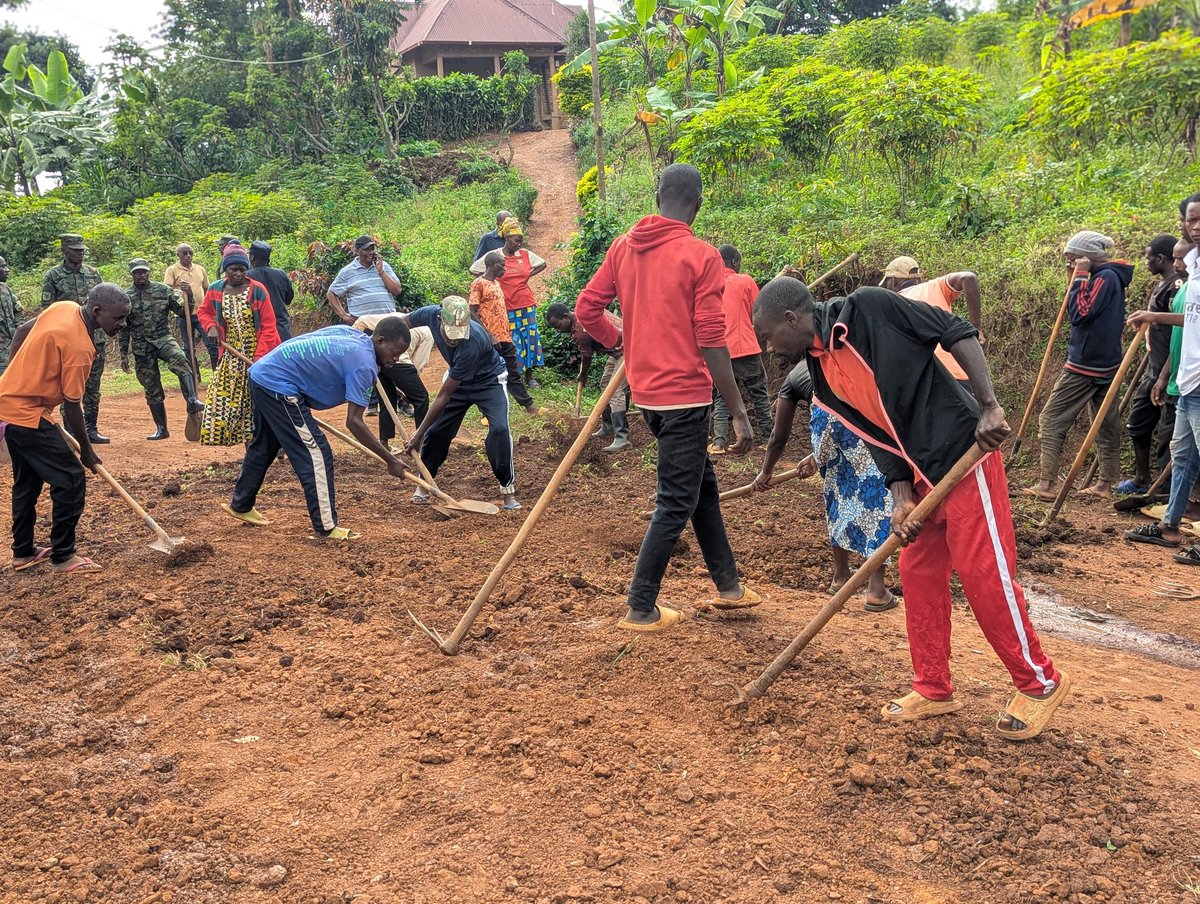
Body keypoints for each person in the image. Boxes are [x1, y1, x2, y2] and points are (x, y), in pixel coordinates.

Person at [752, 276, 1068, 741]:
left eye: (767, 336)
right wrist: (900, 495)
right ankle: (934, 687)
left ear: (791, 319)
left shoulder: (871, 309)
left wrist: (989, 405)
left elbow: (955, 330)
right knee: (917, 573)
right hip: (918, 475)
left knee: (985, 574)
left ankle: (1040, 683)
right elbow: (874, 431)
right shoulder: (820, 373)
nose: (767, 347)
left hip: (964, 454)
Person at [576, 163, 759, 633]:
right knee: (676, 500)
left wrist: (619, 340)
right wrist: (738, 410)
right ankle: (640, 607)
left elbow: (587, 308)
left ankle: (730, 587)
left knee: (702, 489)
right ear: (697, 202)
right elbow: (712, 337)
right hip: (685, 398)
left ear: (658, 196)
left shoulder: (622, 247)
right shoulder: (701, 255)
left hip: (649, 399)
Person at [223, 318, 412, 540]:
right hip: (280, 386)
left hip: (263, 375)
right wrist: (390, 459)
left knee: (265, 445)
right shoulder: (364, 364)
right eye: (395, 352)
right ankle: (326, 526)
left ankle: (241, 504)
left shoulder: (352, 335)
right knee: (317, 455)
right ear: (380, 340)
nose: (396, 359)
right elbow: (354, 422)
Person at [0, 285, 130, 574]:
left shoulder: (64, 307)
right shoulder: (80, 348)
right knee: (70, 478)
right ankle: (63, 556)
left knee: (27, 482)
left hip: (7, 405)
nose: (122, 325)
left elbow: (22, 330)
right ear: (97, 312)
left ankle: (23, 553)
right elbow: (72, 407)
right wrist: (87, 451)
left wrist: (12, 374)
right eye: (118, 318)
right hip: (26, 415)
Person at [753, 362, 896, 611]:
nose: (771, 350)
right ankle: (876, 590)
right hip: (863, 419)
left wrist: (766, 472)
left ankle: (840, 576)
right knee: (876, 501)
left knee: (837, 495)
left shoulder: (795, 376)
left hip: (830, 424)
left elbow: (779, 436)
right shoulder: (843, 360)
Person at [1025, 231, 1133, 500]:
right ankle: (1106, 484)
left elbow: (1080, 312)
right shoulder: (1110, 277)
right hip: (1106, 362)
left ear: (1089, 257)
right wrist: (1076, 276)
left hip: (1086, 365)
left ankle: (1046, 484)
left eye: (1074, 259)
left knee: (1050, 419)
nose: (1071, 265)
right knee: (1105, 423)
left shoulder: (1104, 277)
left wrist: (1081, 274)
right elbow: (1081, 302)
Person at [1125, 201, 1200, 554]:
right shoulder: (1195, 269)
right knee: (1182, 456)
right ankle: (1170, 526)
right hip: (1187, 381)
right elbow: (1191, 319)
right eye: (1191, 219)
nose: (1196, 225)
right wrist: (1155, 318)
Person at [399, 297, 520, 510]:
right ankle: (425, 482)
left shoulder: (472, 341)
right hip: (459, 380)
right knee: (436, 432)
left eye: (459, 334)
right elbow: (403, 323)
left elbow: (444, 396)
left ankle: (507, 489)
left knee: (500, 429)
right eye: (450, 334)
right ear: (440, 319)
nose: (454, 340)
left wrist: (417, 434)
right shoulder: (429, 314)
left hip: (489, 381)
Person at [197, 242, 281, 446]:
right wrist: (211, 327)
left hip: (258, 354)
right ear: (226, 269)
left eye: (242, 269)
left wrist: (259, 360)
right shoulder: (217, 289)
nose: (238, 273)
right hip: (231, 355)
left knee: (259, 401)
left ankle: (270, 443)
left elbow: (269, 327)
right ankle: (246, 444)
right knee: (222, 400)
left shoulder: (257, 290)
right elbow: (203, 311)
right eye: (233, 269)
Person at [1118, 234, 1182, 493]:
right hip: (1153, 368)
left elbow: (1180, 332)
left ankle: (1166, 489)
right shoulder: (1162, 284)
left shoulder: (1177, 285)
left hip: (1170, 369)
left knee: (1168, 434)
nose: (1145, 262)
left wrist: (1164, 374)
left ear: (1160, 258)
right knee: (1138, 421)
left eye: (1147, 257)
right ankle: (1143, 478)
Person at [118, 259, 204, 440]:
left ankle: (191, 401)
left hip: (163, 338)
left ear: (149, 272)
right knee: (151, 386)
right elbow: (123, 327)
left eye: (144, 272)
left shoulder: (163, 290)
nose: (141, 275)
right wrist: (123, 353)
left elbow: (182, 312)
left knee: (180, 359)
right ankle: (161, 428)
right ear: (132, 274)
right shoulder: (126, 297)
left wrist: (189, 297)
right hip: (141, 345)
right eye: (137, 273)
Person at [880, 255, 983, 390]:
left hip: (924, 380)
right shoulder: (935, 286)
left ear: (892, 282)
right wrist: (976, 328)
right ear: (918, 278)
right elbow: (968, 278)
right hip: (960, 372)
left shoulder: (892, 305)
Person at [41, 234, 106, 444]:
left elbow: (105, 304)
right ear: (64, 251)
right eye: (76, 249)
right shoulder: (53, 276)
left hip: (95, 339)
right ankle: (71, 433)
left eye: (82, 249)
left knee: (93, 386)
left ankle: (91, 429)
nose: (81, 252)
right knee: (68, 386)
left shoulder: (93, 274)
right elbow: (48, 311)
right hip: (68, 342)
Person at [709, 244, 772, 455]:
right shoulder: (745, 281)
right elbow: (759, 311)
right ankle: (767, 438)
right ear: (735, 262)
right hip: (746, 348)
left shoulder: (710, 284)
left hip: (720, 352)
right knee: (759, 393)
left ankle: (718, 443)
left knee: (722, 396)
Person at [470, 218, 546, 387]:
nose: (519, 244)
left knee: (529, 337)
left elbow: (543, 263)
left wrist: (528, 276)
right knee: (512, 340)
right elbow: (474, 269)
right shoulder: (496, 256)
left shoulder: (525, 254)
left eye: (521, 240)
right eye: (516, 240)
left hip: (526, 304)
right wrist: (488, 282)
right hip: (506, 307)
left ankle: (529, 376)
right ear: (507, 238)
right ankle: (512, 376)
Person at [545, 301, 630, 452]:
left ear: (565, 316)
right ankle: (608, 426)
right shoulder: (583, 311)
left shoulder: (580, 332)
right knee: (605, 385)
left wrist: (582, 376)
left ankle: (622, 437)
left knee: (615, 391)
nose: (558, 330)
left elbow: (586, 357)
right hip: (616, 350)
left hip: (628, 348)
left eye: (558, 325)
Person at [469, 250, 541, 416]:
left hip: (505, 337)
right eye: (502, 265)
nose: (505, 269)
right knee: (489, 376)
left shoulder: (497, 284)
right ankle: (488, 412)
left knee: (512, 373)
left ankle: (529, 406)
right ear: (491, 266)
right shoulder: (478, 284)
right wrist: (489, 335)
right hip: (489, 339)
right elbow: (472, 312)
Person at [352, 313, 432, 445]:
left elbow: (360, 325)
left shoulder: (380, 320)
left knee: (387, 400)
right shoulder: (428, 334)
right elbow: (418, 364)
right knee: (421, 397)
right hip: (394, 357)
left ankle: (384, 443)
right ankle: (422, 443)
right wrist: (408, 390)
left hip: (376, 354)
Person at [326, 235, 402, 325]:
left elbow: (397, 291)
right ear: (357, 251)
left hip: (388, 321)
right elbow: (331, 294)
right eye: (366, 249)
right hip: (363, 325)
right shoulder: (347, 271)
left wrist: (381, 271)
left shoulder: (384, 266)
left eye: (372, 249)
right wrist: (344, 316)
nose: (371, 252)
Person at [163, 242, 216, 369]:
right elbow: (167, 290)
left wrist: (210, 307)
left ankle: (217, 375)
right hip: (183, 314)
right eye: (185, 253)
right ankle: (194, 376)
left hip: (201, 314)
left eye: (190, 253)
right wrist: (181, 292)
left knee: (212, 344)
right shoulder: (172, 270)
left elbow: (206, 288)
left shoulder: (200, 269)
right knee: (188, 348)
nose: (188, 256)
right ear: (178, 255)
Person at [247, 240, 296, 341]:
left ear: (252, 257)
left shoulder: (248, 277)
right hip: (282, 331)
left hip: (260, 333)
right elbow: (288, 299)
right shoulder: (281, 274)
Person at [0, 255, 24, 377]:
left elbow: (18, 310)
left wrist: (19, 329)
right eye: (3, 267)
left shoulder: (5, 289)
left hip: (11, 348)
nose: (7, 270)